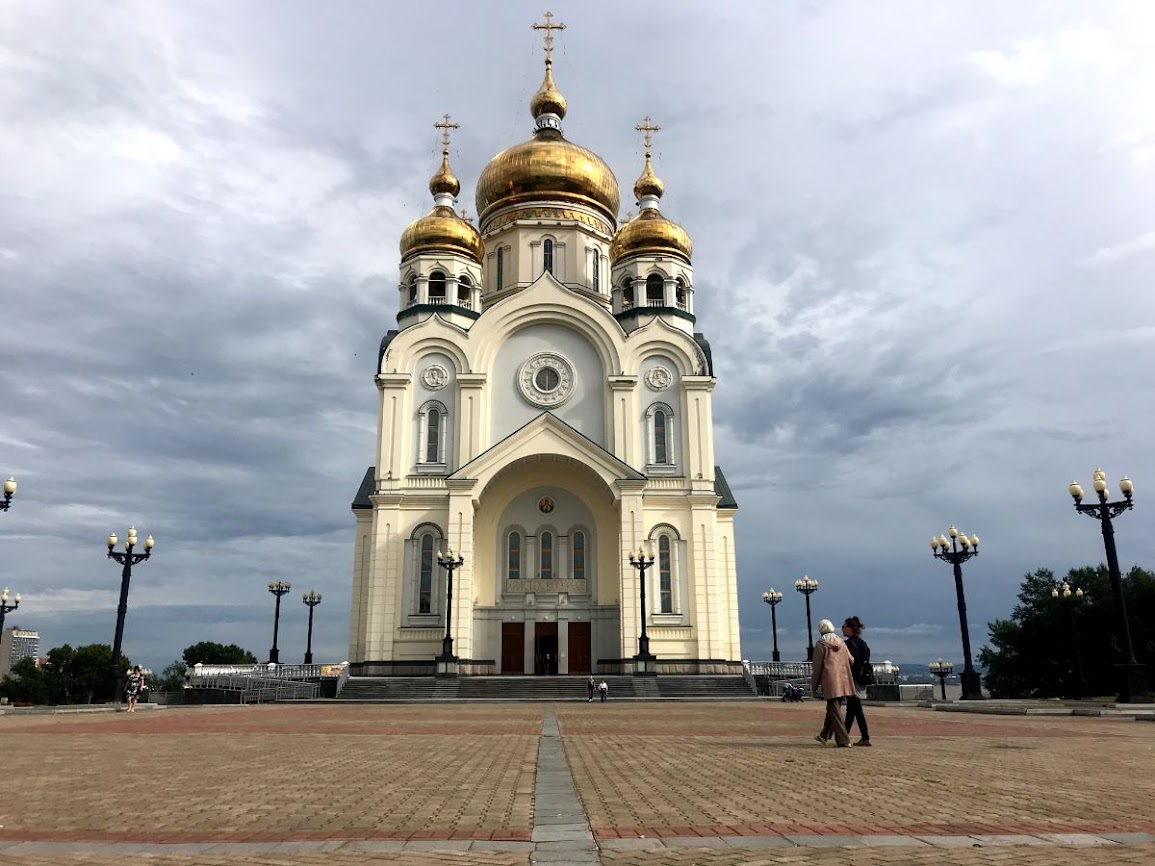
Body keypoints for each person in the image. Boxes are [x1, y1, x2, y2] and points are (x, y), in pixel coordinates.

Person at [810, 619, 854, 747]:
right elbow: (851, 659)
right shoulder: (842, 642)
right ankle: (824, 735)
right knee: (833, 708)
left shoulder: (821, 644)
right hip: (843, 679)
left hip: (830, 681)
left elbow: (817, 667)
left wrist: (815, 685)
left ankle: (843, 740)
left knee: (834, 710)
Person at [842, 616, 872, 747]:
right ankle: (844, 735)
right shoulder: (863, 644)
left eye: (844, 627)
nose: (842, 629)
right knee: (852, 708)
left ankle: (864, 737)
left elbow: (849, 663)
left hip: (853, 678)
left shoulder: (848, 644)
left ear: (850, 628)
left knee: (855, 708)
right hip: (862, 678)